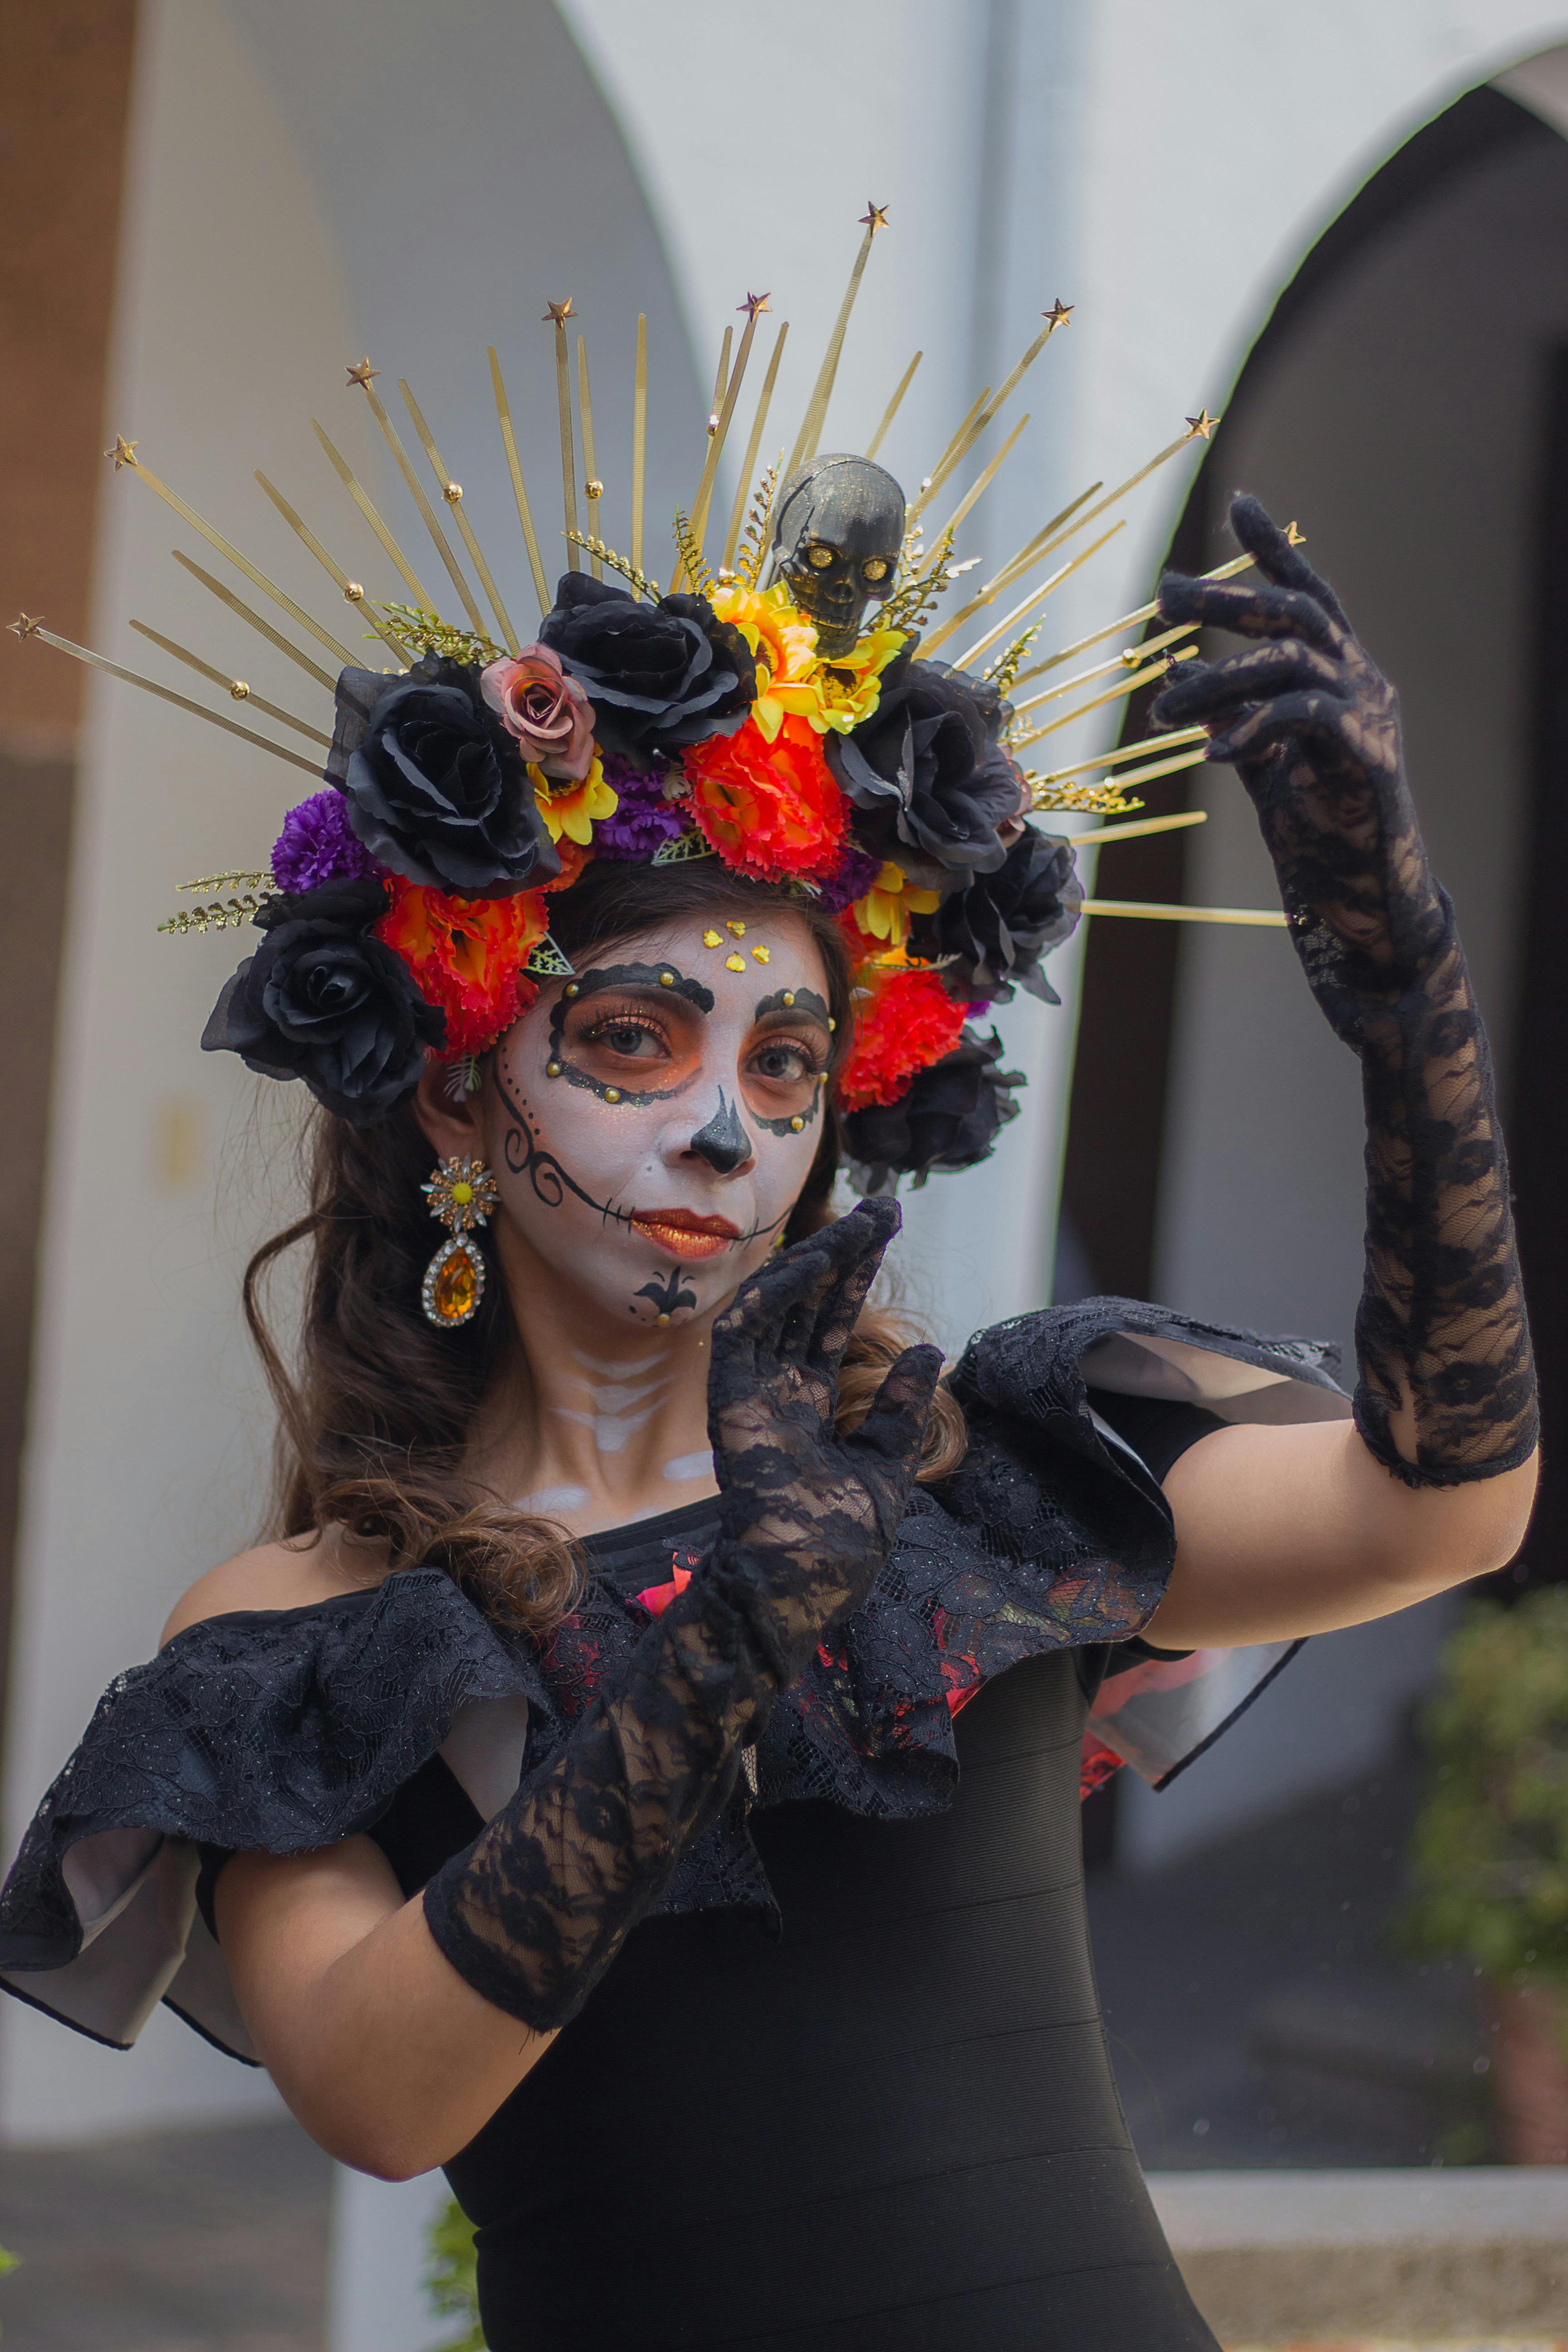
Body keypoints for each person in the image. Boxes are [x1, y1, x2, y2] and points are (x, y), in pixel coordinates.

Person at [0, 316, 1537, 2349]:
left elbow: (1443, 1509)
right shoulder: (301, 1634)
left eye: (791, 1062)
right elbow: (376, 2095)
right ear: (458, 1088)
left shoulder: (976, 1476)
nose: (726, 1124)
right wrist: (729, 1633)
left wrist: (1401, 979)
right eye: (634, 1039)